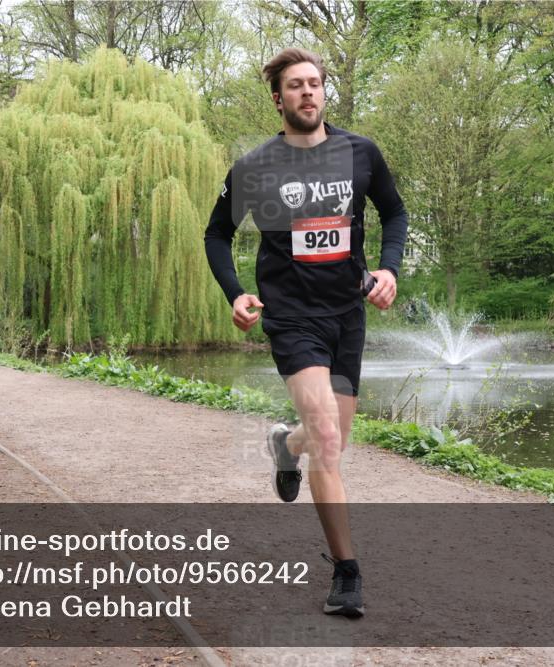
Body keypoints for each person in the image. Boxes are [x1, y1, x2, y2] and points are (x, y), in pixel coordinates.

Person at [204, 48, 408, 618]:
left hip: (347, 314)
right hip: (292, 316)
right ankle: (347, 573)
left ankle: (283, 445)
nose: (308, 93)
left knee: (329, 441)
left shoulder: (360, 152)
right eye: (296, 86)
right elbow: (216, 235)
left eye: (315, 84)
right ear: (279, 98)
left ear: (324, 93)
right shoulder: (255, 166)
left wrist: (388, 268)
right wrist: (236, 293)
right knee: (327, 438)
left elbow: (395, 213)